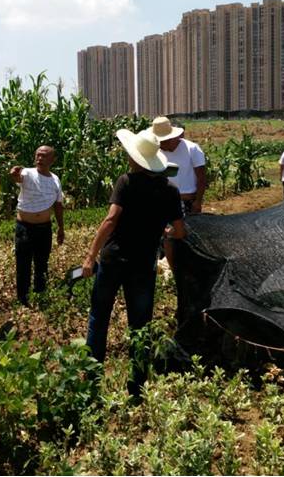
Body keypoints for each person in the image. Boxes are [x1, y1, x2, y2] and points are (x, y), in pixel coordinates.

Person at [82, 129, 186, 398]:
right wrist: (163, 233)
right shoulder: (171, 190)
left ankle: (92, 381)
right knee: (140, 325)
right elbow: (180, 231)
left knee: (99, 317)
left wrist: (90, 255)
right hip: (143, 265)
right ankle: (137, 386)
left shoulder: (126, 182)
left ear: (137, 160)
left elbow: (110, 219)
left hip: (113, 259)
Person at [9, 145, 65, 306]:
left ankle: (40, 295)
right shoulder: (27, 173)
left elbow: (58, 205)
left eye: (44, 156)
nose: (40, 158)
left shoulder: (55, 179)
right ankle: (23, 299)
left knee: (42, 263)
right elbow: (17, 178)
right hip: (24, 228)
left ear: (53, 160)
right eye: (38, 155)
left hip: (44, 228)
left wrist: (61, 228)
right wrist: (14, 174)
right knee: (23, 264)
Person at [149, 116, 206, 215]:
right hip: (163, 202)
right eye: (160, 142)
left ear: (173, 137)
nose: (162, 145)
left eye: (164, 142)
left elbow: (201, 178)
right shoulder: (156, 152)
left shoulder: (192, 149)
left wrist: (198, 202)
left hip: (187, 201)